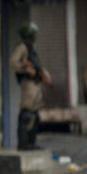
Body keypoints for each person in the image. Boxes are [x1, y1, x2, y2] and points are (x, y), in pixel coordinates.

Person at [10, 22, 52, 150]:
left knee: (35, 115)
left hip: (36, 85)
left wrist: (44, 75)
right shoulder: (23, 48)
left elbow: (37, 66)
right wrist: (24, 69)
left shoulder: (32, 49)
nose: (35, 36)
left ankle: (31, 142)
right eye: (33, 34)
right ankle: (23, 143)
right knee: (26, 113)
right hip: (28, 84)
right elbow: (12, 62)